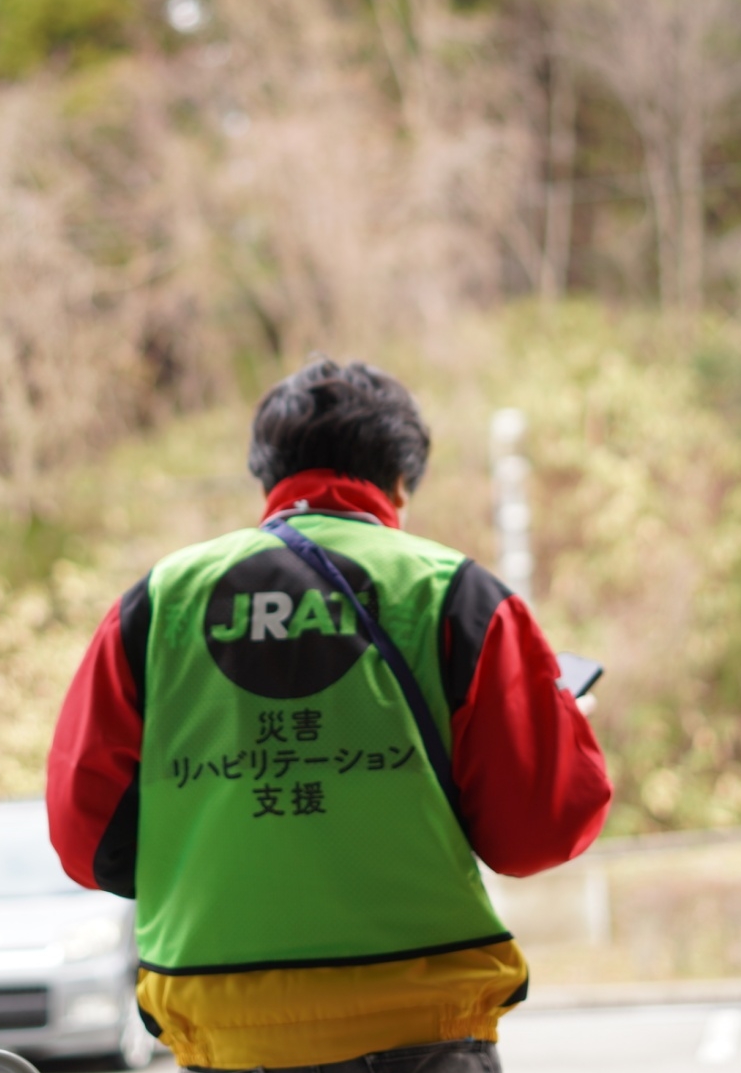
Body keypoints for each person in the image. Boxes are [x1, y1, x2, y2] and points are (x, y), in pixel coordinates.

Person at [47, 358, 611, 1073]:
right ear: (400, 481)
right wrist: (563, 722)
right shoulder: (454, 592)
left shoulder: (158, 602)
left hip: (225, 1034)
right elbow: (540, 830)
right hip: (420, 1029)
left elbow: (85, 837)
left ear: (266, 477)